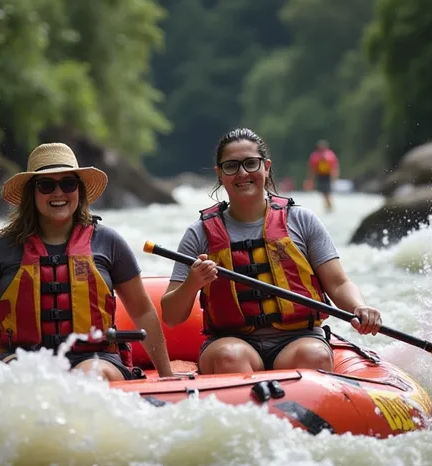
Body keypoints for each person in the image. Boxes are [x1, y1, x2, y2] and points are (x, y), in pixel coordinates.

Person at [0, 143, 174, 381]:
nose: (58, 193)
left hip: (94, 356)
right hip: (22, 358)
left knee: (90, 376)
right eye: (46, 185)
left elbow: (142, 311)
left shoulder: (108, 242)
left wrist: (165, 374)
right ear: (32, 194)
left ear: (80, 190)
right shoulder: (1, 248)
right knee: (23, 379)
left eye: (68, 183)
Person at [160, 128, 381, 375]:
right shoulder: (199, 233)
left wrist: (359, 307)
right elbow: (170, 316)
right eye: (231, 166)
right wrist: (193, 282)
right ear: (219, 173)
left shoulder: (302, 220)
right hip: (231, 341)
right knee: (230, 358)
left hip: (298, 338)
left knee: (314, 356)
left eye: (251, 164)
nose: (242, 173)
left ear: (266, 167)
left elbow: (338, 283)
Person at [305, 140, 339, 212]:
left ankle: (329, 206)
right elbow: (312, 168)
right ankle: (328, 206)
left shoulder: (327, 155)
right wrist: (311, 179)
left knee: (326, 191)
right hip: (321, 175)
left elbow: (334, 167)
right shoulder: (322, 155)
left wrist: (334, 177)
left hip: (327, 175)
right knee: (324, 192)